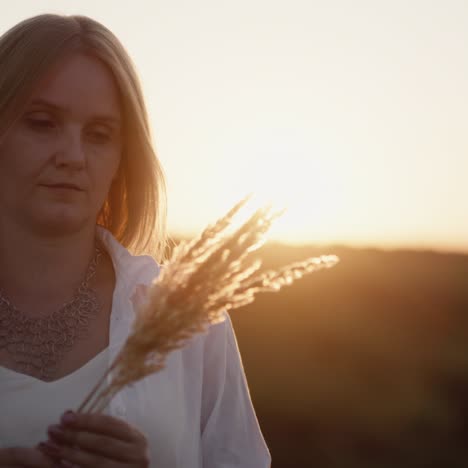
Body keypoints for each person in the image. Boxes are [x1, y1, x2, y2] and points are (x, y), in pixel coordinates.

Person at [0, 13, 271, 468]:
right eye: (42, 123)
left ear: (122, 161)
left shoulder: (189, 321)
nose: (72, 156)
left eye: (99, 135)